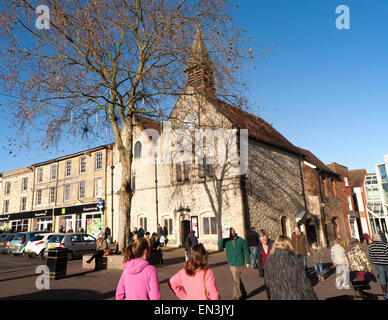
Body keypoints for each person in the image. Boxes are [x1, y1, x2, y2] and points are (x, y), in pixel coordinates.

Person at [264, 235, 317, 300]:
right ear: (289, 245)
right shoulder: (295, 261)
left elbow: (267, 283)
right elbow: (305, 286)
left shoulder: (268, 261)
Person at [218, 227, 250, 300]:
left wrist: (248, 262)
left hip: (239, 262)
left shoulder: (241, 240)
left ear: (233, 233)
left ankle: (235, 297)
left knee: (236, 280)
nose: (229, 234)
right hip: (231, 263)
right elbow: (220, 245)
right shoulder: (226, 241)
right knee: (237, 279)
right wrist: (223, 237)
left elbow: (246, 251)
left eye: (230, 233)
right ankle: (244, 293)